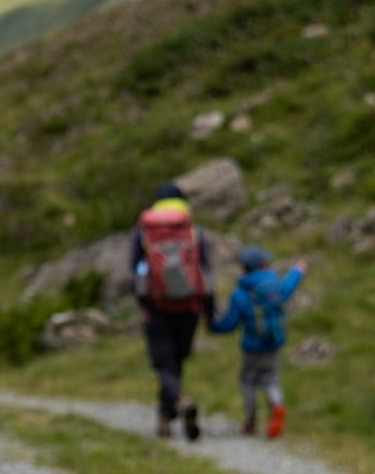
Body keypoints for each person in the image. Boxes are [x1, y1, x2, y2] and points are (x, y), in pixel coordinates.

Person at [131, 182, 214, 441]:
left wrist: (144, 305)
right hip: (188, 308)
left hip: (157, 309)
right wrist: (209, 312)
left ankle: (179, 401)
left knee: (164, 365)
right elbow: (205, 274)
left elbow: (136, 272)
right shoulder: (192, 231)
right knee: (175, 363)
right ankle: (164, 418)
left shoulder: (145, 232)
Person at [210, 246, 306, 439]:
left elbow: (230, 324)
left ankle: (250, 422)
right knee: (271, 379)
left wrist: (212, 325)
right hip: (273, 344)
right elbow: (289, 288)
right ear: (263, 265)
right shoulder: (275, 286)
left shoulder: (240, 294)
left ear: (244, 268)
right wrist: (298, 270)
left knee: (248, 382)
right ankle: (277, 406)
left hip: (251, 348)